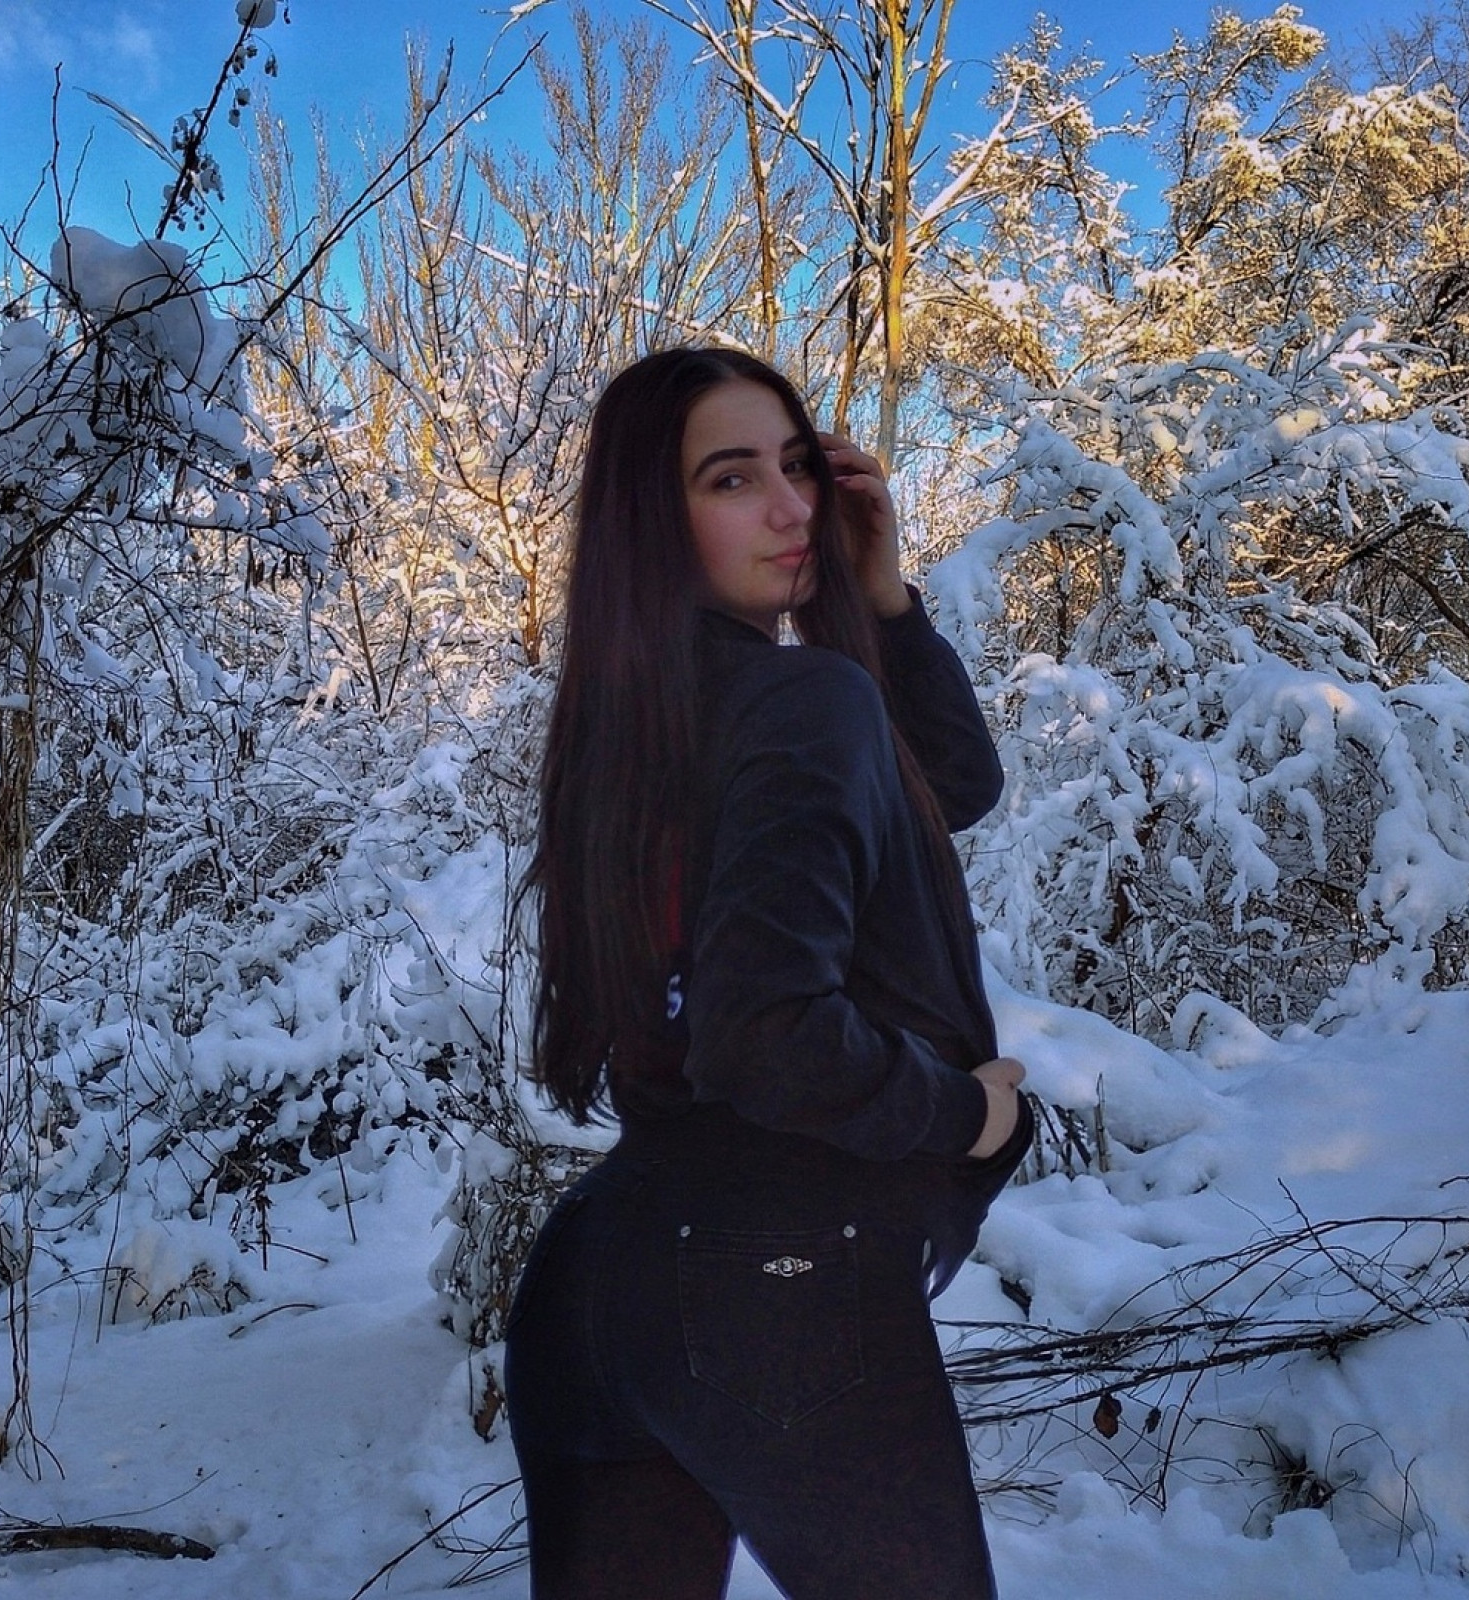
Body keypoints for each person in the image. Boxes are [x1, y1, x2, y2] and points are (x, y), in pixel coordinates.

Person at [505, 347, 1031, 1600]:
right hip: (775, 1282)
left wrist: (884, 599)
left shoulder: (627, 725)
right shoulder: (800, 698)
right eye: (732, 479)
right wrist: (970, 1116)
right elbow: (766, 1032)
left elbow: (948, 789)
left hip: (600, 1282)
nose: (793, 508)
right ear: (652, 517)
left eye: (798, 467)